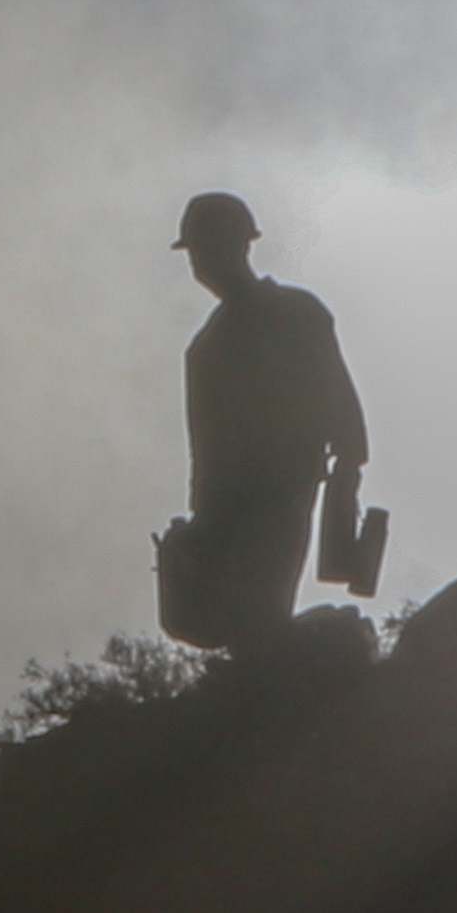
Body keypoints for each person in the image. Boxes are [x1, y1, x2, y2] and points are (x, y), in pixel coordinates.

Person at [158, 191, 373, 652]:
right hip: (236, 505)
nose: (200, 265)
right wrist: (203, 523)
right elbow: (207, 447)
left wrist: (347, 471)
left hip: (277, 494)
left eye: (204, 250)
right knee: (248, 626)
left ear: (238, 245)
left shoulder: (294, 314)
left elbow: (336, 396)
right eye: (196, 254)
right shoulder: (208, 347)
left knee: (261, 621)